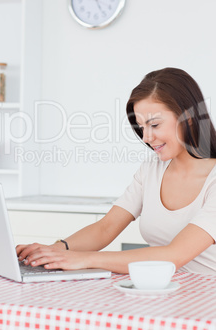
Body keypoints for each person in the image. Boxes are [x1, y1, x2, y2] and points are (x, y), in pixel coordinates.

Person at [16, 67, 216, 275]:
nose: (146, 137)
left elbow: (172, 256)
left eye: (154, 125)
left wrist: (82, 259)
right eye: (141, 127)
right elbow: (106, 227)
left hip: (205, 301)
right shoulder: (152, 169)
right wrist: (54, 250)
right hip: (161, 291)